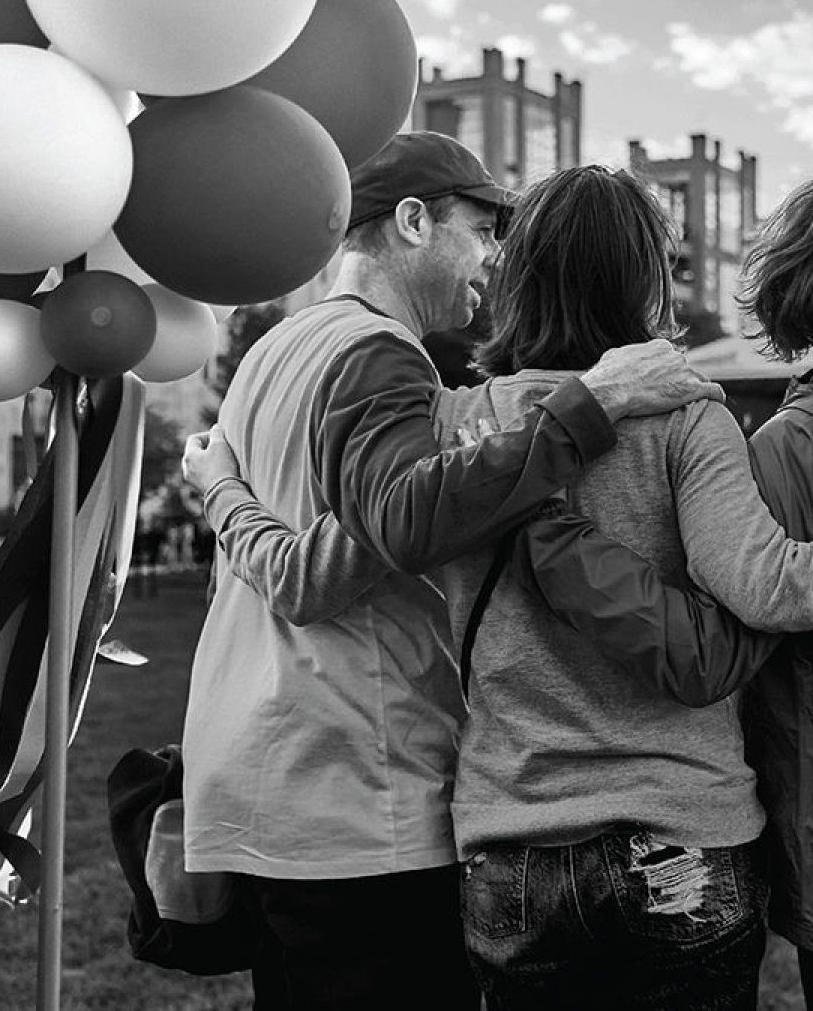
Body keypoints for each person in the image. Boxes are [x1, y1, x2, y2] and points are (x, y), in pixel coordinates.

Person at [183, 162, 813, 1010]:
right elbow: (764, 584)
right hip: (686, 825)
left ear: (520, 274)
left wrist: (223, 488)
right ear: (648, 278)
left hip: (514, 835)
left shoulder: (454, 427)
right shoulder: (687, 415)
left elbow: (326, 561)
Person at [179, 133, 728, 1011]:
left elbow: (297, 556)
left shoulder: (272, 353)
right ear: (410, 223)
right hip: (358, 786)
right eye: (479, 230)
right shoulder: (380, 354)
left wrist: (221, 498)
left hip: (256, 775)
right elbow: (358, 546)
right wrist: (596, 403)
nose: (493, 260)